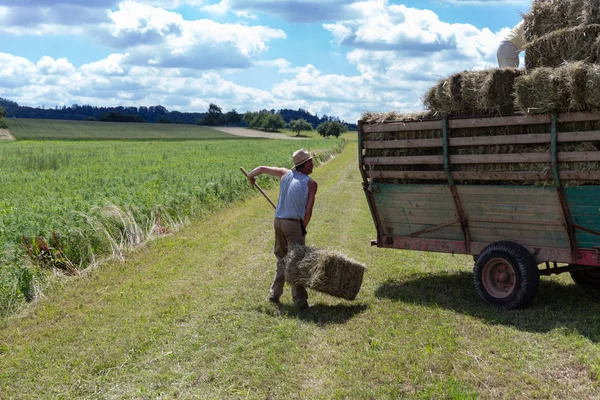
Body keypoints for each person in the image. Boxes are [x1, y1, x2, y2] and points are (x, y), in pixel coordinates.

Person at [246, 148, 318, 311]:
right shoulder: (311, 183)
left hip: (278, 221)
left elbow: (261, 169)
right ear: (305, 164)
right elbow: (308, 211)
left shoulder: (285, 174)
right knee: (297, 261)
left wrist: (251, 177)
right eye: (311, 161)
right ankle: (301, 302)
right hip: (293, 224)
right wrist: (302, 228)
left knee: (281, 258)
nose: (313, 164)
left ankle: (274, 293)